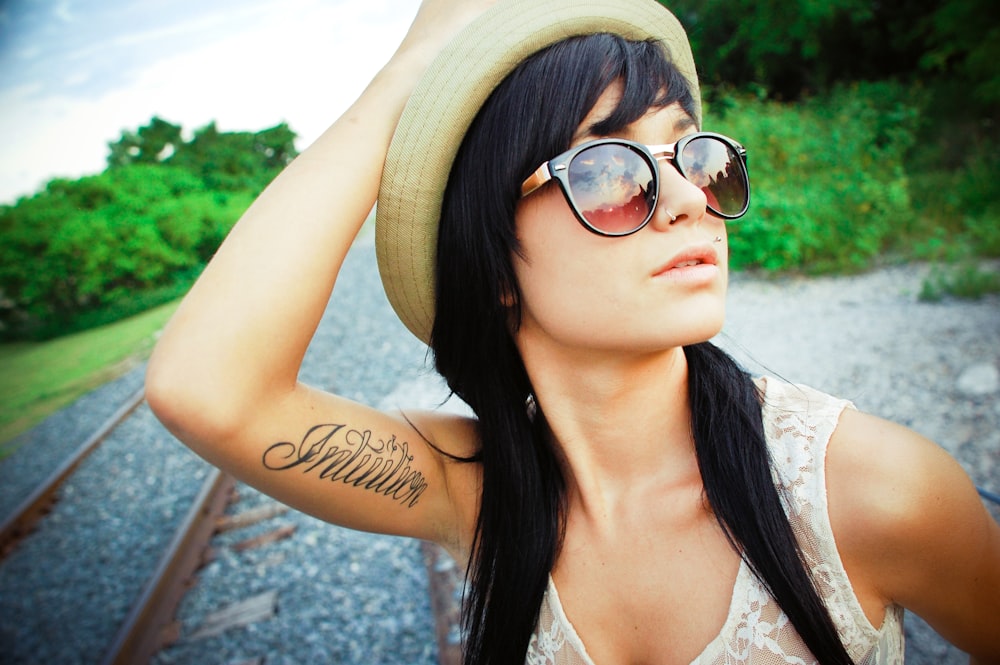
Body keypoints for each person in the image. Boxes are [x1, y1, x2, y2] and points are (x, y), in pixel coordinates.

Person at [144, 0, 1000, 663]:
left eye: (693, 153)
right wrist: (416, 70)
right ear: (491, 263)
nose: (691, 200)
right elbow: (207, 390)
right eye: (609, 171)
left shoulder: (874, 491)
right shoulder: (481, 498)